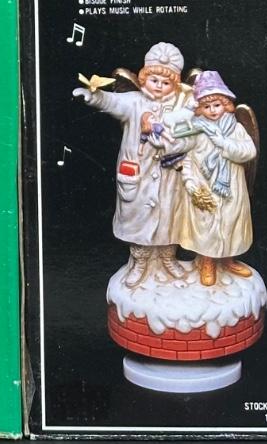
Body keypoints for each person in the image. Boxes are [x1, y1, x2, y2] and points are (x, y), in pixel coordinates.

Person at [73, 42, 193, 286]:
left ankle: (168, 257)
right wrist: (94, 96)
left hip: (169, 177)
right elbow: (112, 102)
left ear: (175, 84)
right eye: (154, 80)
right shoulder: (134, 102)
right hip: (138, 176)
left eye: (166, 82)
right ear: (144, 79)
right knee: (138, 217)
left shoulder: (182, 107)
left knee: (169, 219)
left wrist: (173, 144)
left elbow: (190, 134)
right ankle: (139, 261)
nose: (159, 86)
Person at [162, 71, 257, 286]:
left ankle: (228, 260)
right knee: (206, 227)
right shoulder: (195, 130)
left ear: (226, 105)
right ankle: (207, 262)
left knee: (231, 223)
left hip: (231, 188)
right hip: (205, 186)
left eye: (217, 105)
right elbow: (185, 155)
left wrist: (223, 143)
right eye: (206, 106)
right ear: (199, 109)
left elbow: (249, 152)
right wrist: (191, 183)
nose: (213, 110)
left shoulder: (235, 128)